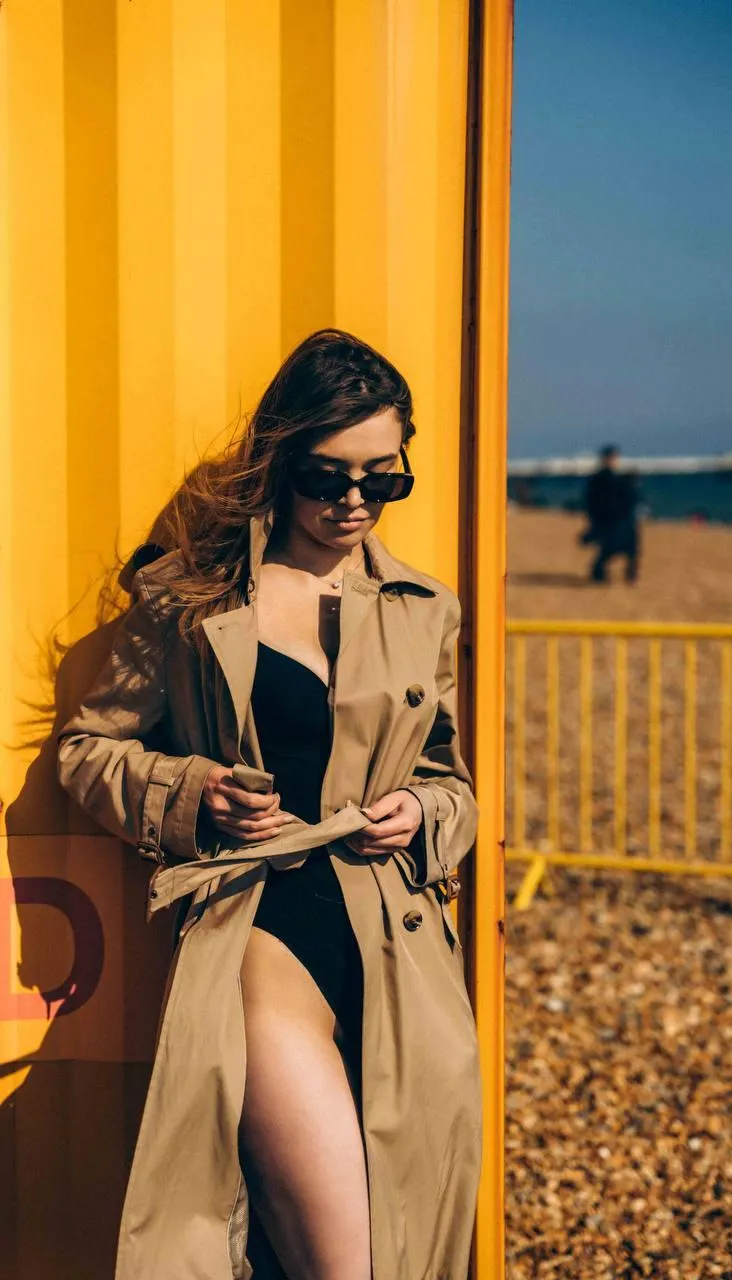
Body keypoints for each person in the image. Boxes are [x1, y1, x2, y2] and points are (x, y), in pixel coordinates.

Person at [56, 330, 482, 1280]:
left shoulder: (427, 608)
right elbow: (89, 750)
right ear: (281, 463)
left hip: (401, 951)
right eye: (329, 477)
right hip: (264, 936)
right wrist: (192, 791)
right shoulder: (190, 599)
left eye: (384, 478)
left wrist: (423, 814)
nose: (355, 503)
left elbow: (453, 784)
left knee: (412, 1242)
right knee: (344, 1263)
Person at [582, 445, 641, 583]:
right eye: (611, 458)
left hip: (619, 520)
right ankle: (599, 571)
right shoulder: (599, 479)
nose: (614, 461)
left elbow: (627, 498)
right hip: (608, 521)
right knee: (611, 547)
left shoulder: (614, 479)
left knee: (628, 547)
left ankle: (629, 572)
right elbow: (593, 502)